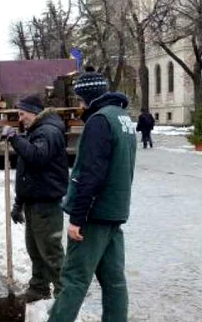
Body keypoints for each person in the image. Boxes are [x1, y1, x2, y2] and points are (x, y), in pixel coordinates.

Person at [47, 70, 136, 322]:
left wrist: (77, 216)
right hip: (114, 212)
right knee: (114, 281)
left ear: (83, 96)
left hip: (93, 216)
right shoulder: (122, 118)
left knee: (74, 279)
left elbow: (90, 174)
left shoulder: (99, 121)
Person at [1, 94, 68, 302]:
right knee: (35, 250)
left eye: (22, 114)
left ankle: (64, 295)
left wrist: (14, 138)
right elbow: (28, 173)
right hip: (34, 202)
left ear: (34, 112)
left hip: (46, 204)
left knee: (51, 252)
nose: (20, 119)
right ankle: (39, 287)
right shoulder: (36, 131)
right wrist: (18, 204)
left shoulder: (48, 131)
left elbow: (37, 158)